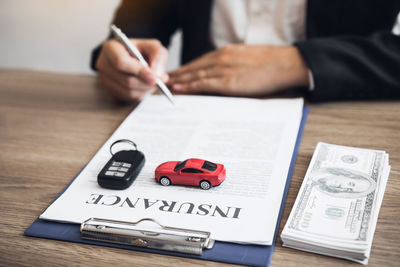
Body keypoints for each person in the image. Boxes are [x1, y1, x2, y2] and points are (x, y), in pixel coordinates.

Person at [91, 0, 400, 102]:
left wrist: (300, 62)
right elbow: (129, 38)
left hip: (340, 120)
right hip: (196, 114)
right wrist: (119, 62)